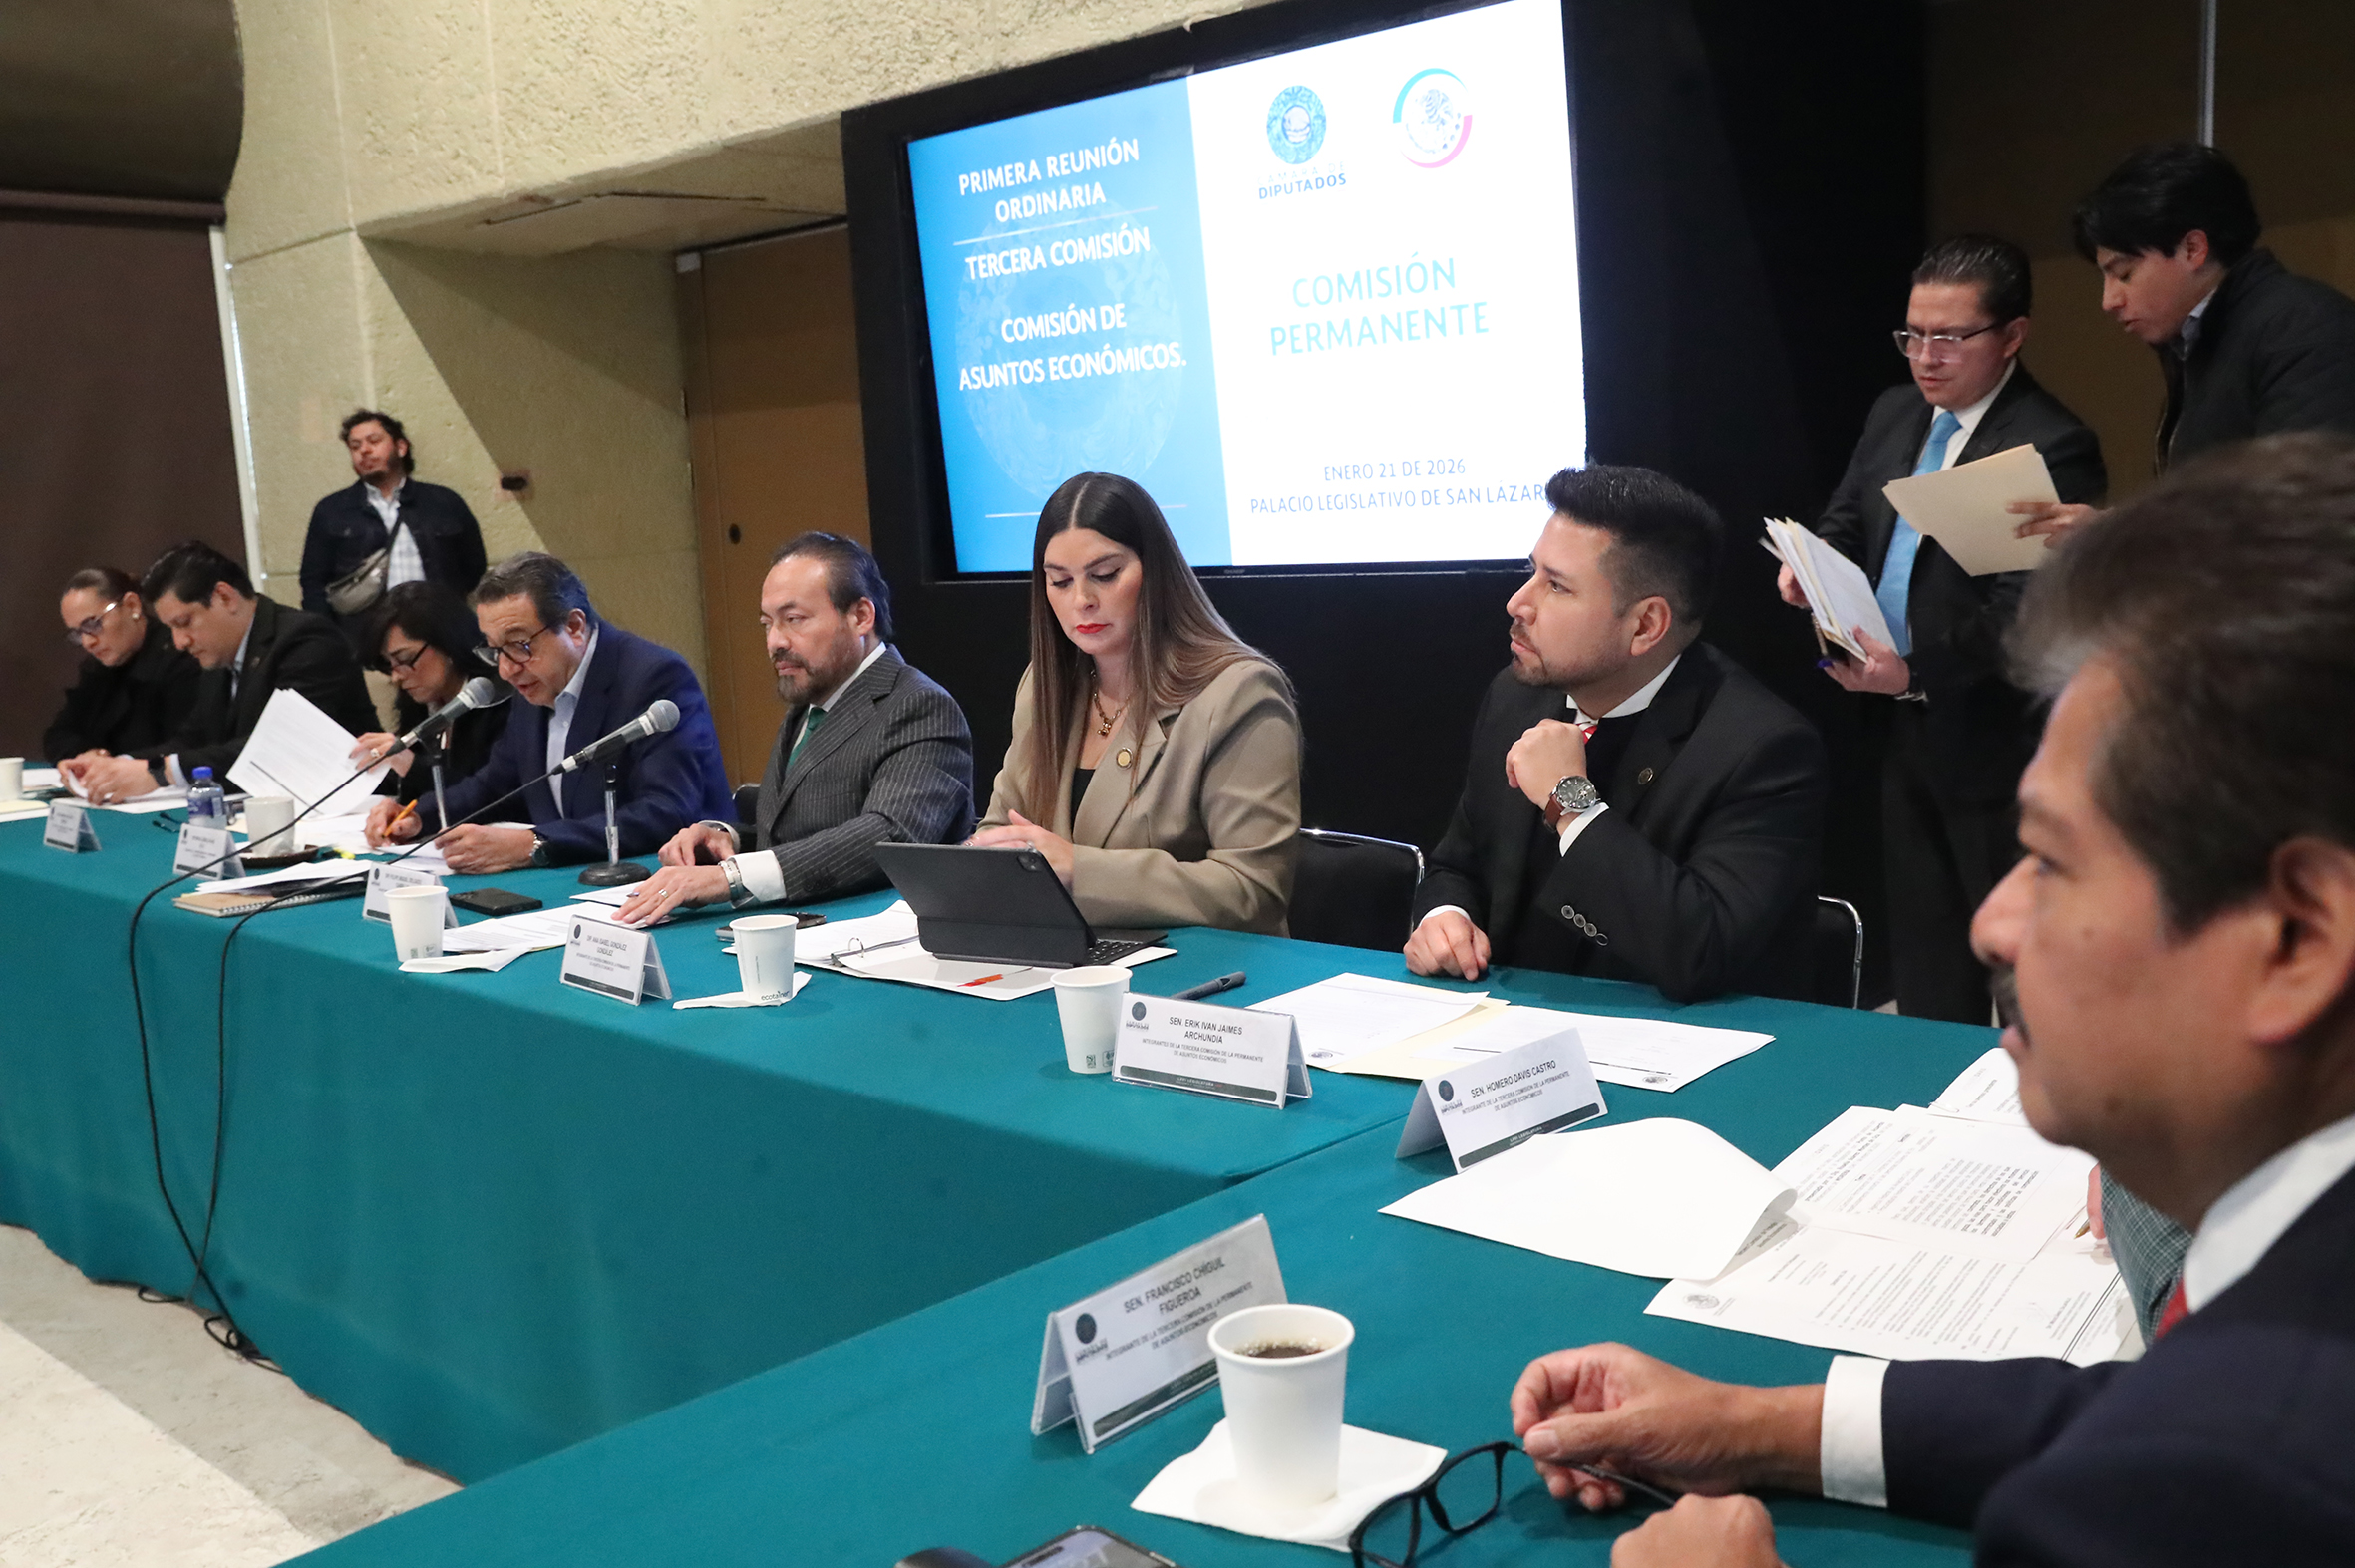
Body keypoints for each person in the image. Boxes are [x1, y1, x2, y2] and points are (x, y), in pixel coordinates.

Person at [1511, 435, 2355, 1567]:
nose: (1994, 924)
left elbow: (2192, 1451)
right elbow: (2146, 1407)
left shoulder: (2244, 1476)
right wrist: (1756, 1422)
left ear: (2297, 937)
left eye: (2052, 860)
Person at [1783, 235, 2105, 1023]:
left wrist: (1916, 672)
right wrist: (1811, 565)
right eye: (1914, 334)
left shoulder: (2051, 441)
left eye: (1952, 337)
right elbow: (1849, 515)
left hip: (1993, 741)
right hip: (1897, 731)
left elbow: (2024, 613)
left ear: (2012, 335)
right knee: (1926, 963)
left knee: (2020, 972)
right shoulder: (1896, 411)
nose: (1927, 357)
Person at [1409, 467, 1828, 1003]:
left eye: (1557, 586)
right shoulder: (1516, 698)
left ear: (1646, 626)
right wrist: (1446, 916)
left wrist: (1570, 802)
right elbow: (1458, 863)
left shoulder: (1763, 748)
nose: (1518, 603)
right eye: (1532, 571)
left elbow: (1702, 950)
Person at [969, 472, 1300, 936]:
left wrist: (1079, 870)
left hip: (1202, 966)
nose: (1081, 600)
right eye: (1059, 581)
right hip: (1067, 957)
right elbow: (999, 831)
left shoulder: (1238, 692)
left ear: (1154, 573)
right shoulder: (1043, 686)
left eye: (1104, 576)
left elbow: (1254, 891)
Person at [611, 533, 974, 925]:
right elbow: (805, 833)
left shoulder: (919, 706)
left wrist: (731, 877)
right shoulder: (810, 704)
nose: (774, 642)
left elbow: (888, 837)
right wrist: (728, 840)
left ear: (860, 617)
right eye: (767, 623)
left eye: (793, 619)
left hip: (876, 938)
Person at [2014, 142, 2355, 543]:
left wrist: (2129, 535)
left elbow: (2302, 514)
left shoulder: (2304, 328)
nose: (2109, 301)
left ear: (2193, 249)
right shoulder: (2206, 335)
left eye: (2124, 274)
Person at [367, 551, 732, 874]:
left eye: (519, 645)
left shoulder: (652, 677)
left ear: (574, 627)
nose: (506, 669)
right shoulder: (535, 685)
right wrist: (418, 815)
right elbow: (495, 783)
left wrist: (534, 843)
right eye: (495, 650)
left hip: (667, 881)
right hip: (574, 885)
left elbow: (667, 812)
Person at [63, 542, 376, 804]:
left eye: (184, 623)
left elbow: (279, 750)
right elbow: (194, 738)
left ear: (225, 597)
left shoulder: (306, 641)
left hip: (352, 809)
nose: (180, 642)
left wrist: (159, 773)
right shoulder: (220, 656)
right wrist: (118, 766)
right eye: (171, 629)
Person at [298, 409, 488, 633]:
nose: (364, 450)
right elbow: (313, 583)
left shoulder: (444, 502)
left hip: (440, 632)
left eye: (374, 441)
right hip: (363, 638)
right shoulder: (332, 510)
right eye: (355, 446)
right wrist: (329, 637)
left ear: (401, 447)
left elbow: (473, 567)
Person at [345, 582, 511, 805]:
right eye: (388, 664)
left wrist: (411, 765)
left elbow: (491, 796)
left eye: (404, 659)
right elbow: (415, 793)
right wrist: (397, 807)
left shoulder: (497, 699)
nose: (396, 676)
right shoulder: (419, 701)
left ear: (447, 641)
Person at [43, 566, 201, 765]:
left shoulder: (180, 660)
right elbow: (58, 734)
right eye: (78, 633)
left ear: (132, 606)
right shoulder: (96, 669)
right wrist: (86, 755)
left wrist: (115, 765)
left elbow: (189, 743)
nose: (87, 642)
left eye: (93, 624)